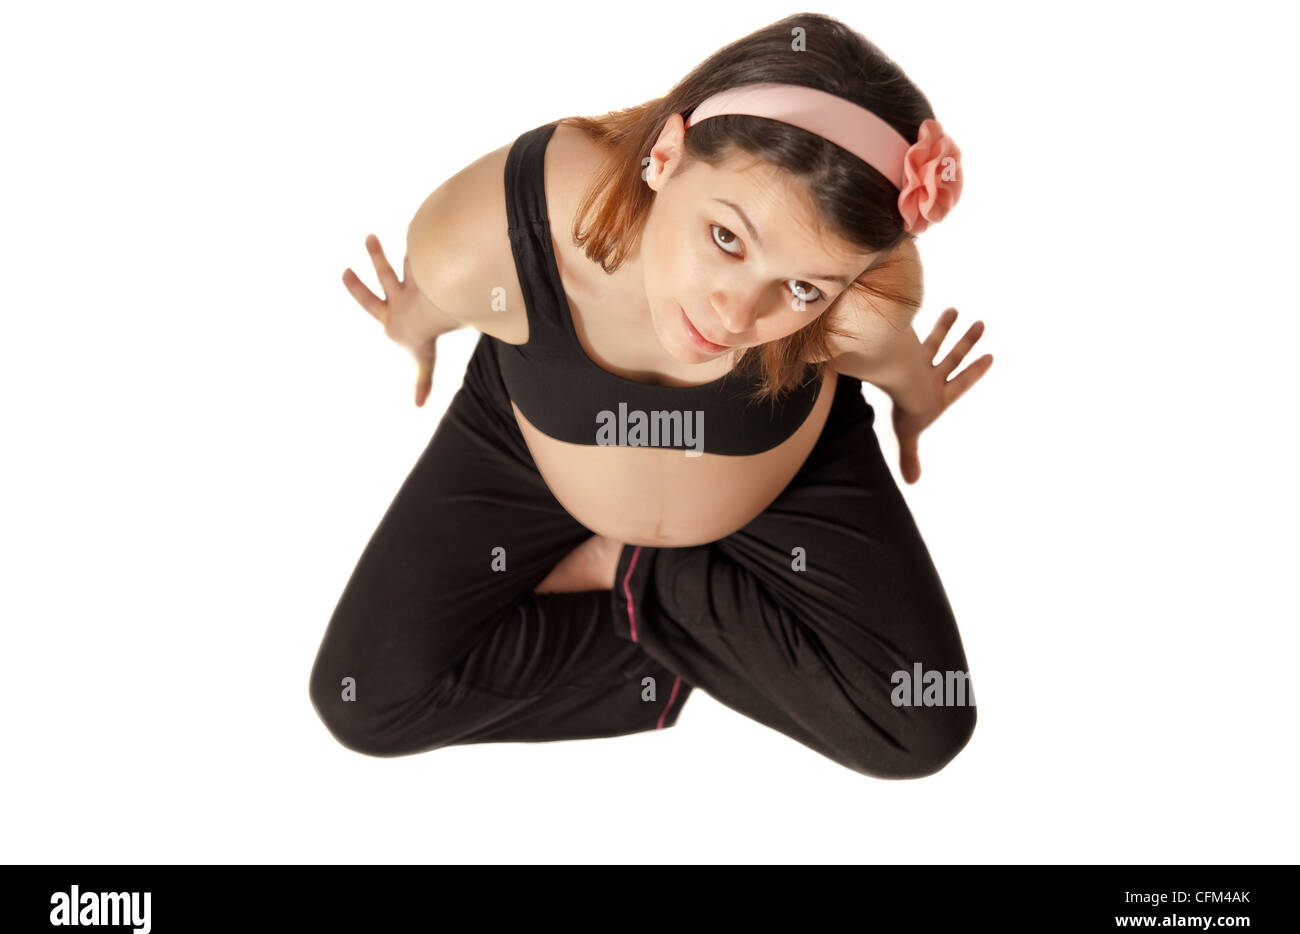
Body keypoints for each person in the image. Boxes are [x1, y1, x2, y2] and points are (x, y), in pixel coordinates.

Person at [310, 13, 992, 779]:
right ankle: (687, 650)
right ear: (666, 156)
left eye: (802, 287)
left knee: (923, 724)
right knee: (366, 699)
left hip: (783, 469)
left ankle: (642, 579)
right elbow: (433, 295)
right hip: (532, 437)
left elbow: (896, 366)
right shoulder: (500, 234)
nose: (735, 317)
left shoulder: (862, 309)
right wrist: (414, 327)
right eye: (727, 238)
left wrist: (917, 404)